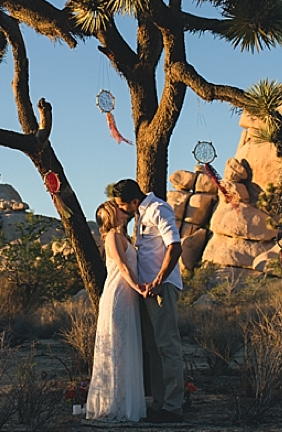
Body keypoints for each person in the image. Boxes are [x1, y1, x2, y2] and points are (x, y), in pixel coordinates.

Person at [112, 178, 185, 424]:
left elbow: (175, 246)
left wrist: (158, 279)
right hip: (149, 291)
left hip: (162, 287)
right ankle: (160, 404)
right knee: (154, 349)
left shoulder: (158, 209)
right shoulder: (141, 215)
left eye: (123, 205)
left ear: (134, 201)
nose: (121, 209)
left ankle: (173, 407)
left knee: (168, 347)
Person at [85, 201, 146, 422]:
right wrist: (138, 285)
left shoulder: (125, 238)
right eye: (117, 208)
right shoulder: (111, 237)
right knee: (117, 350)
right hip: (118, 297)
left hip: (128, 299)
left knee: (126, 349)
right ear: (112, 215)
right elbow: (121, 265)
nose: (123, 210)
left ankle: (125, 403)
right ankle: (114, 405)